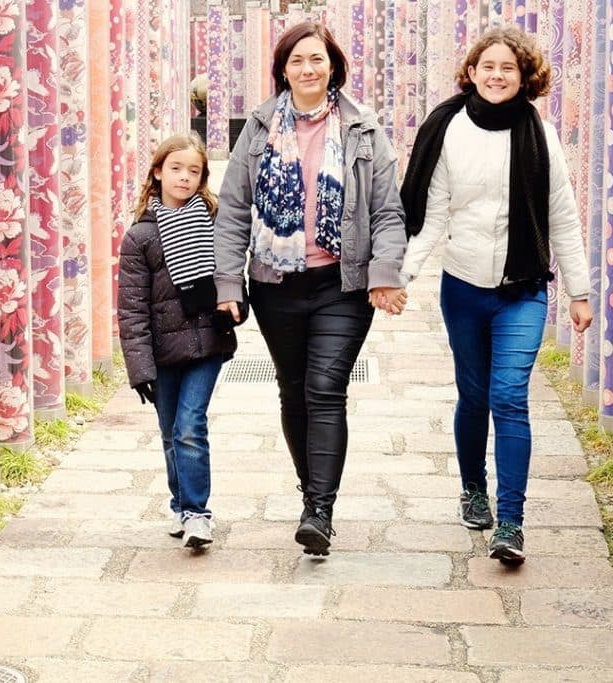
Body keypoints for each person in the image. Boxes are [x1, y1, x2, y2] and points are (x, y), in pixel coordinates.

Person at [398, 27, 594, 565]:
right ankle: (473, 489)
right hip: (462, 287)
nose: (497, 75)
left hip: (522, 289)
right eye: (488, 65)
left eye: (508, 67)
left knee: (509, 397)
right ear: (472, 70)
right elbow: (433, 214)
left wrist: (580, 291)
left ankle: (511, 522)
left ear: (524, 76)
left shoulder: (540, 135)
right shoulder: (450, 129)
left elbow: (563, 218)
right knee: (475, 395)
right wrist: (402, 276)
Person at [213, 22, 407, 556]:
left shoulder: (364, 130)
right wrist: (228, 282)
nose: (307, 69)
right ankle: (310, 489)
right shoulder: (257, 129)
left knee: (325, 389)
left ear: (333, 66)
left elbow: (388, 212)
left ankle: (320, 509)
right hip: (276, 283)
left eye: (316, 59)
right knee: (292, 389)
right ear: (283, 69)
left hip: (342, 284)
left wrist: (386, 273)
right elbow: (232, 211)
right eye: (297, 60)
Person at [118, 132, 241, 549]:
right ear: (157, 172)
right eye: (176, 168)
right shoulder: (140, 238)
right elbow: (132, 309)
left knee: (190, 426)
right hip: (161, 351)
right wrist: (139, 368)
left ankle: (197, 513)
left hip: (208, 342)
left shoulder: (215, 220)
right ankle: (179, 503)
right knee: (171, 432)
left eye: (194, 171)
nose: (185, 177)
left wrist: (235, 302)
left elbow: (232, 275)